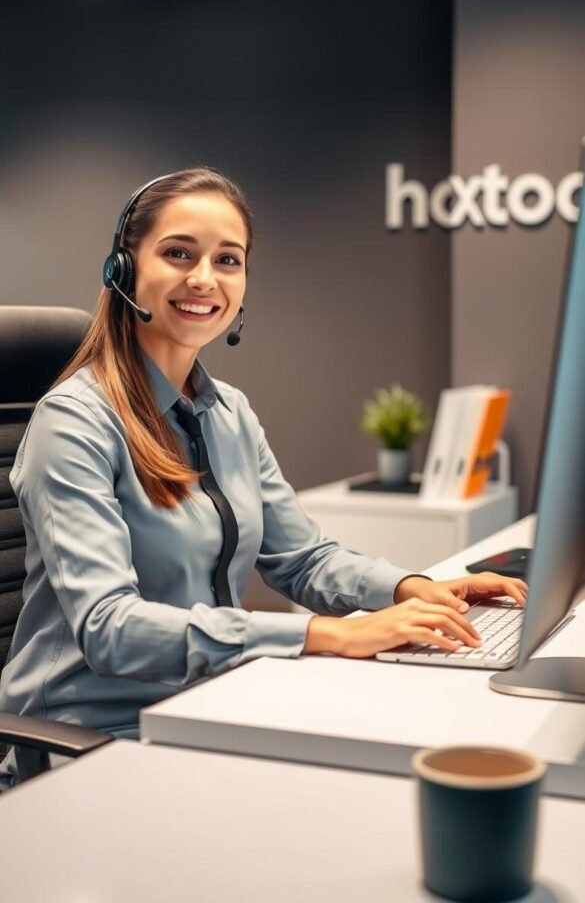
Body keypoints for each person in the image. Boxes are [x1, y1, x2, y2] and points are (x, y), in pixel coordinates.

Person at [0, 167, 527, 788]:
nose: (204, 279)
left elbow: (302, 558)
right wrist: (323, 634)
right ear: (123, 270)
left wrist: (408, 587)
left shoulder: (230, 413)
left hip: (208, 708)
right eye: (177, 253)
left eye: (228, 259)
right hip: (89, 744)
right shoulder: (76, 423)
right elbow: (110, 628)